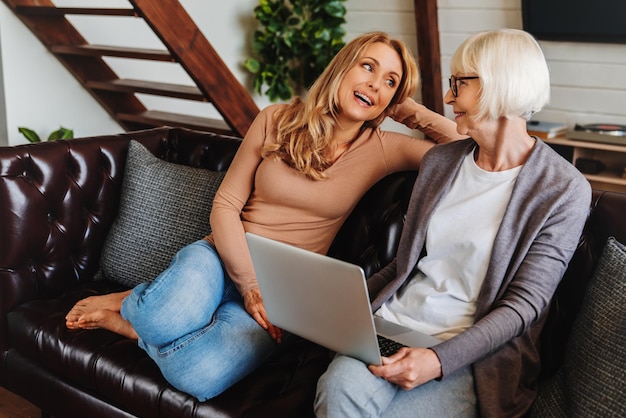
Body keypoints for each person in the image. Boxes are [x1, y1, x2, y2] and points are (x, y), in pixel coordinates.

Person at [64, 31, 465, 401]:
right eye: (368, 66)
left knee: (199, 375)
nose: (376, 84)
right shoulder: (275, 119)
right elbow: (225, 205)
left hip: (286, 292)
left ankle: (133, 322)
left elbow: (465, 148)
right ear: (343, 67)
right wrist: (249, 285)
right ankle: (142, 306)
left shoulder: (384, 148)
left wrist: (407, 110)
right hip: (221, 255)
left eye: (391, 81)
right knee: (164, 316)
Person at [314, 29, 592, 418]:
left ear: (500, 83)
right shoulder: (440, 163)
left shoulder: (563, 189)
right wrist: (343, 307)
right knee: (337, 390)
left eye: (459, 83)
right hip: (391, 328)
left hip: (472, 355)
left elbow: (524, 306)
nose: (448, 97)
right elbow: (403, 265)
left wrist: (437, 359)